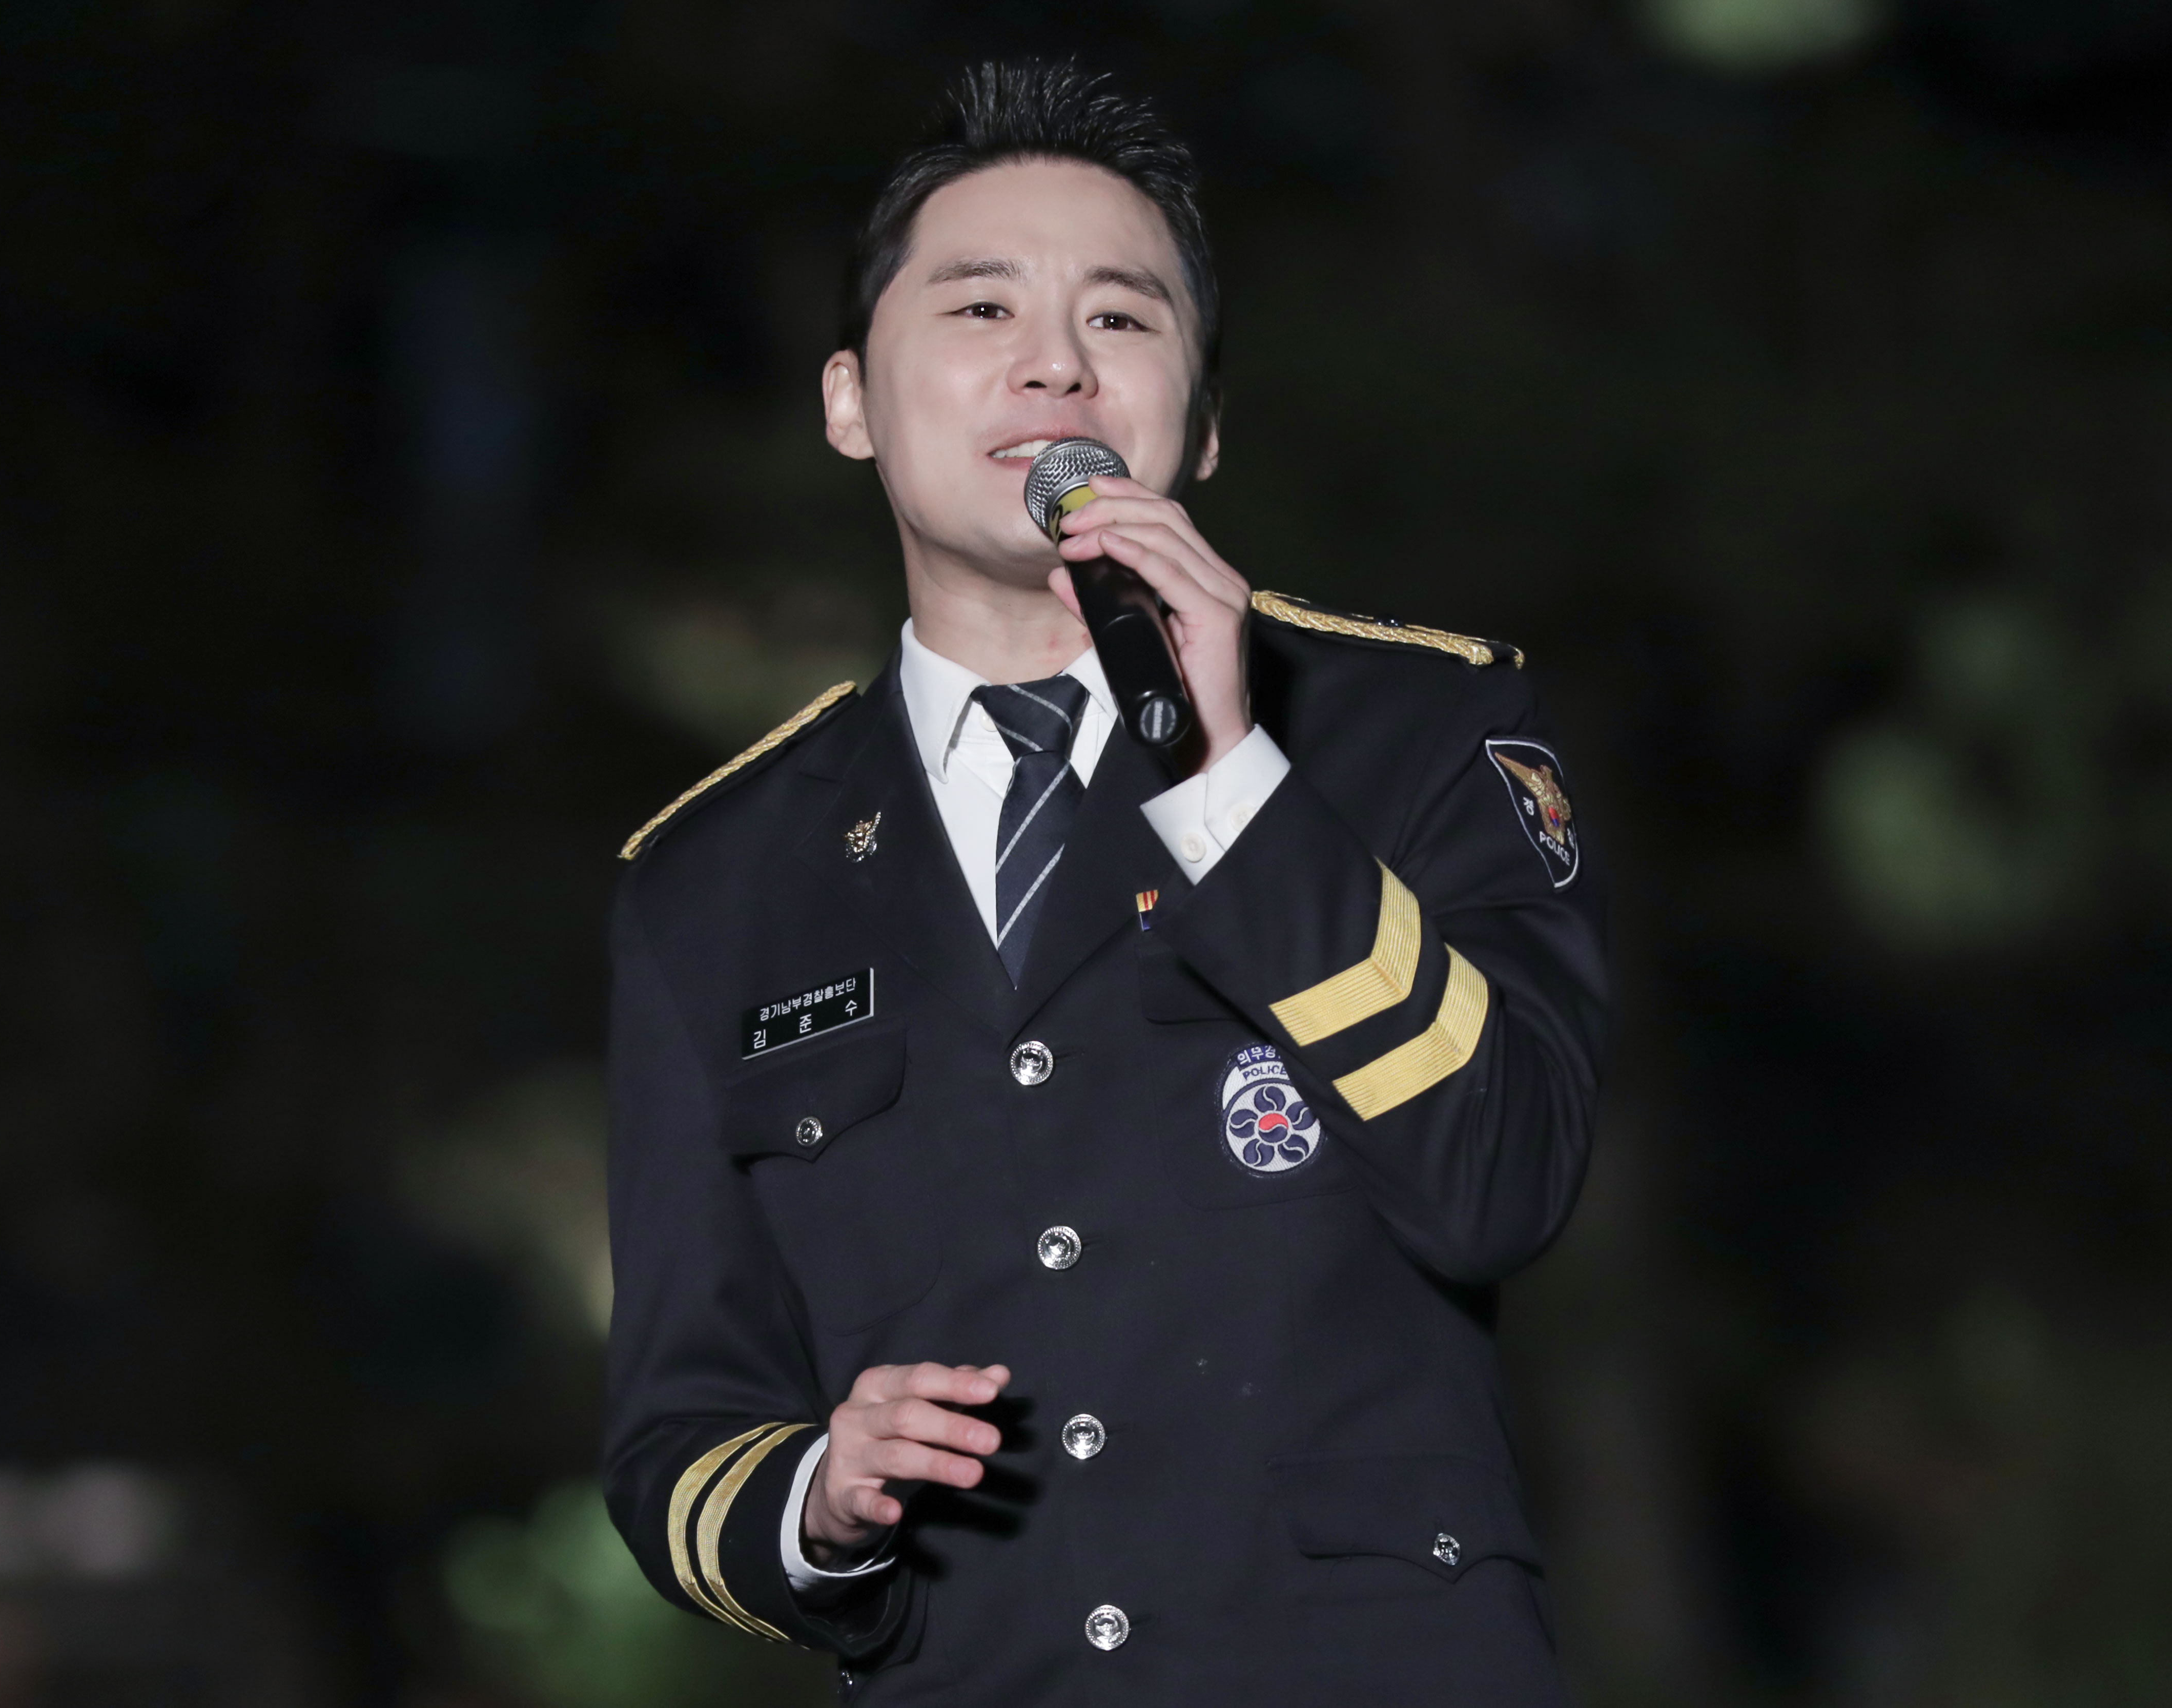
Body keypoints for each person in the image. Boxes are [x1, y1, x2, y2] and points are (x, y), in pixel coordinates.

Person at [602, 59, 1606, 1705]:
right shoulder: (708, 884)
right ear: (851, 402)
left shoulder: (1420, 728)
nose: (1055, 362)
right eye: (981, 307)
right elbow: (676, 1441)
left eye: (1121, 319)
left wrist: (1232, 781)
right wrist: (819, 1495)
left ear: (1198, 428)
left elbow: (1502, 1176)